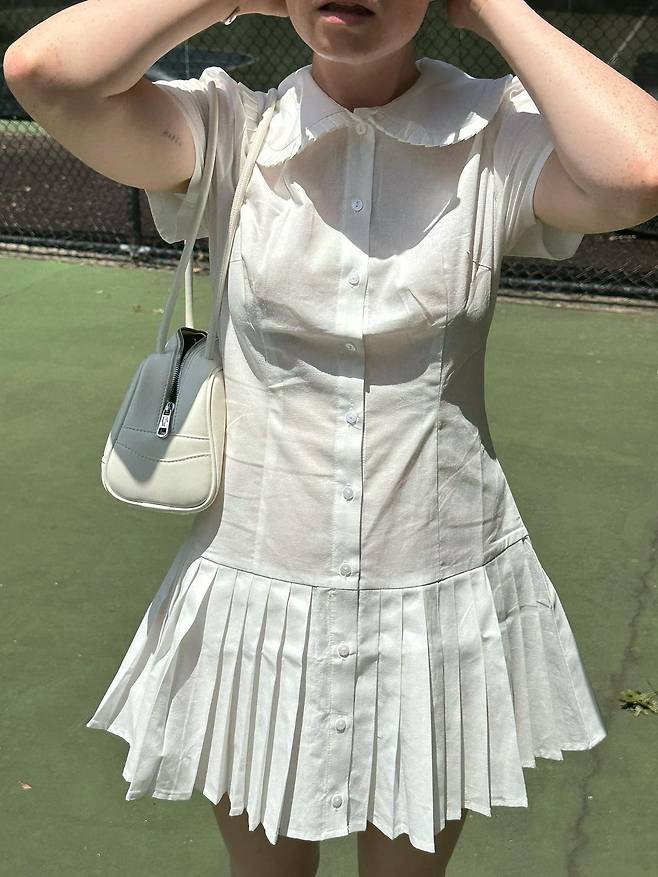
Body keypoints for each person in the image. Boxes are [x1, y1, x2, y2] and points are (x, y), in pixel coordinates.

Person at [9, 0, 658, 874]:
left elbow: (640, 170)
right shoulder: (230, 128)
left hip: (435, 596)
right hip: (259, 593)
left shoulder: (493, 135)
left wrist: (493, 7)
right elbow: (46, 73)